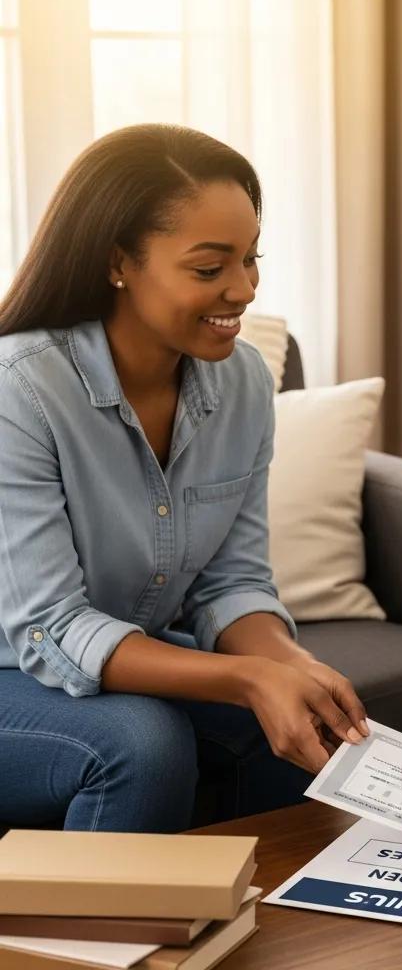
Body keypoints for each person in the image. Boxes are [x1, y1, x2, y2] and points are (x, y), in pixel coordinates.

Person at [0, 124, 368, 833]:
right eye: (209, 269)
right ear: (119, 263)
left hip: (109, 663)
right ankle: (97, 945)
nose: (244, 290)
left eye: (251, 260)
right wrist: (249, 678)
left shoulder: (244, 385)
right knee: (142, 745)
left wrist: (290, 667)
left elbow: (233, 583)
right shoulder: (21, 389)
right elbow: (51, 629)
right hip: (14, 668)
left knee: (296, 722)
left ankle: (257, 937)